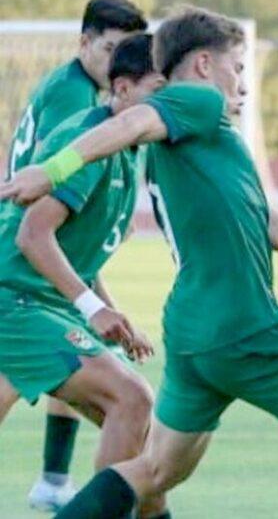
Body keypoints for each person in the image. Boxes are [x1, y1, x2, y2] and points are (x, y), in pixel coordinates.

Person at [1, 6, 278, 519]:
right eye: (237, 66)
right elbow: (130, 121)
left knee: (152, 474)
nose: (243, 81)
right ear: (201, 65)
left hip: (197, 335)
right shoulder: (193, 103)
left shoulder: (214, 139)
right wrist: (53, 169)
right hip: (244, 331)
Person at [0, 33, 163, 516]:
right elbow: (33, 235)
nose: (167, 105)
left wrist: (109, 308)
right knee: (131, 400)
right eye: (159, 90)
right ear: (124, 89)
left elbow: (76, 253)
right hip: (15, 298)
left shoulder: (130, 148)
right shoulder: (89, 142)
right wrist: (91, 309)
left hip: (36, 300)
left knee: (139, 429)